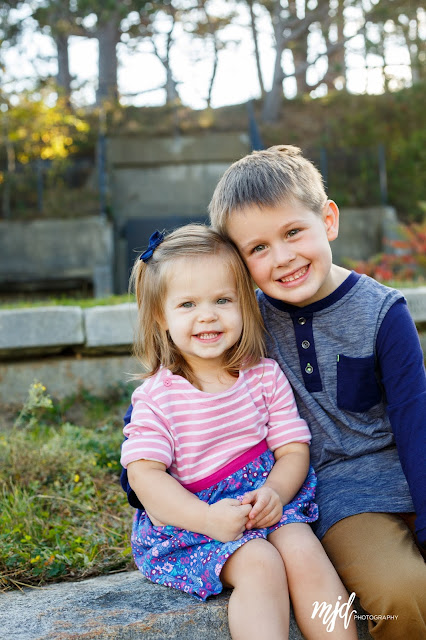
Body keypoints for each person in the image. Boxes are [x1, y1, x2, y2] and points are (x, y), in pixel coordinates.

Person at [207, 144, 426, 640]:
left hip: (408, 471)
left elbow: (416, 420)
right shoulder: (247, 324)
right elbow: (184, 388)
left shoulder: (382, 311)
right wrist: (142, 466)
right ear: (239, 263)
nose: (282, 258)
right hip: (341, 493)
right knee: (404, 593)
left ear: (327, 219)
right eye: (258, 248)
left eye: (292, 233)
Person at [120, 224, 357, 640]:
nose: (207, 314)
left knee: (304, 553)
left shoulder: (262, 375)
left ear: (245, 304)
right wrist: (207, 518)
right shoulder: (158, 397)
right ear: (161, 315)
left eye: (222, 300)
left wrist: (277, 493)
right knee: (260, 563)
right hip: (191, 521)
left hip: (265, 499)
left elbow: (293, 449)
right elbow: (144, 476)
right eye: (188, 303)